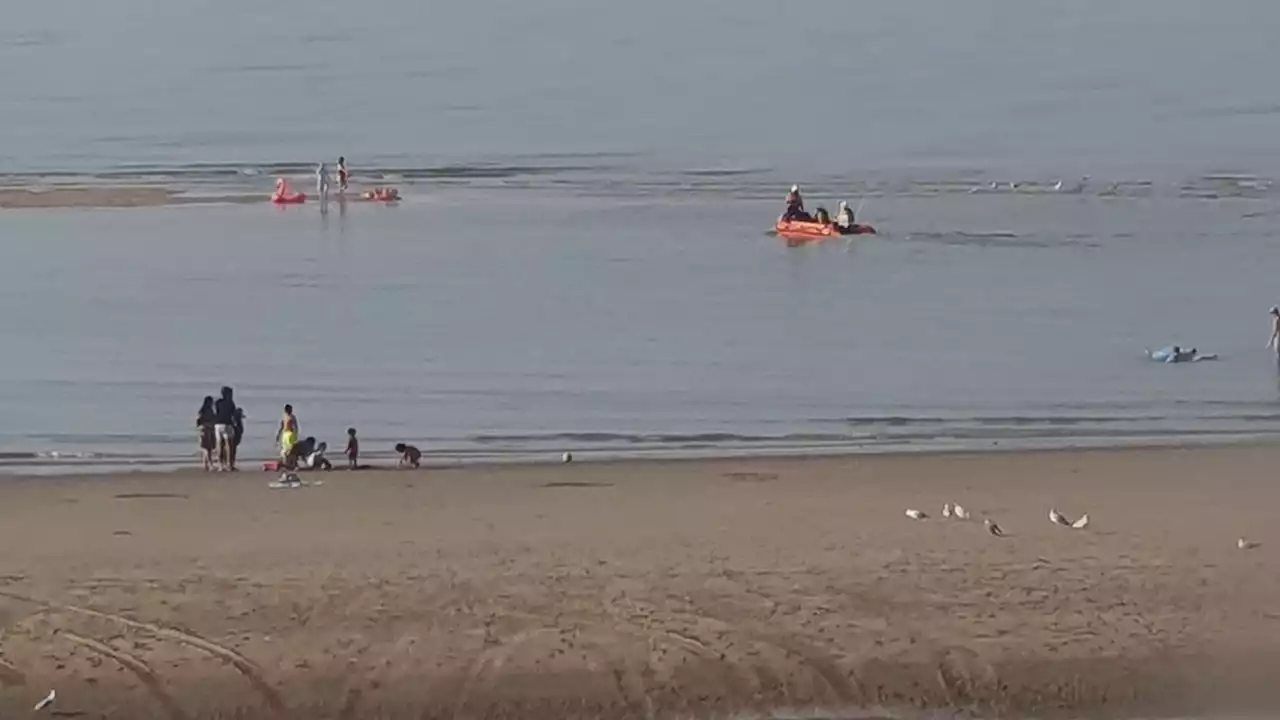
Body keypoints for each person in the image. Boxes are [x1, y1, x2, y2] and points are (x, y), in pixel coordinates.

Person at [213, 386, 239, 471]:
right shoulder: (230, 403)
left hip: (218, 424)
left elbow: (216, 412)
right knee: (229, 445)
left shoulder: (217, 402)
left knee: (219, 444)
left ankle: (220, 464)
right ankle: (229, 464)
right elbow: (233, 415)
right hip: (227, 424)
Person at [196, 396, 217, 471]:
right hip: (207, 429)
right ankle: (210, 464)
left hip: (204, 429)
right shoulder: (208, 411)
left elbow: (198, 422)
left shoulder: (202, 411)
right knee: (208, 448)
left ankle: (205, 464)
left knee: (206, 448)